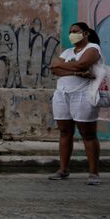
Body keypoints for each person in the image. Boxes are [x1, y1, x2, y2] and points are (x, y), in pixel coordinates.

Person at [49, 22, 102, 185]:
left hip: (83, 95)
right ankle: (63, 169)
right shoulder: (68, 51)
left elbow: (83, 63)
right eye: (70, 31)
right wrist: (76, 72)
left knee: (88, 133)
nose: (72, 34)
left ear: (85, 33)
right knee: (65, 132)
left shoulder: (93, 48)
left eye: (75, 31)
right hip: (62, 94)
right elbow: (54, 68)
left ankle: (93, 173)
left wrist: (63, 65)